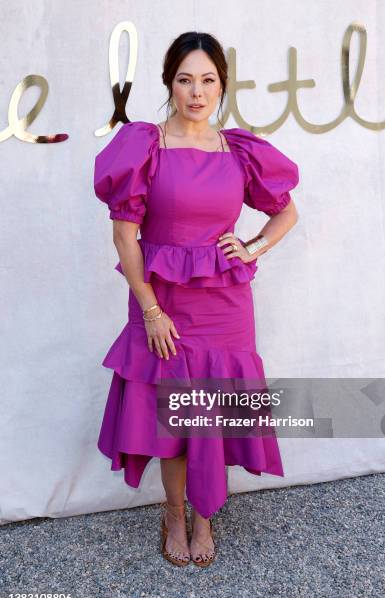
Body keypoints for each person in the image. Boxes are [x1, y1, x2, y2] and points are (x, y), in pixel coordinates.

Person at [93, 31, 300, 568]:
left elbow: (287, 212)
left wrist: (251, 245)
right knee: (172, 412)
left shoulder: (240, 150)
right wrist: (150, 309)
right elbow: (124, 237)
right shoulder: (145, 145)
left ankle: (204, 519)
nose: (196, 91)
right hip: (161, 302)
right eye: (185, 79)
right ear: (169, 84)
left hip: (225, 303)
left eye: (208, 80)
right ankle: (173, 513)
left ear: (222, 86)